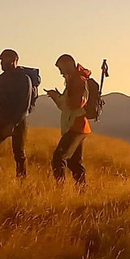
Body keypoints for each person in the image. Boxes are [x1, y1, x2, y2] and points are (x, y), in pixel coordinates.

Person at [0, 49, 32, 178]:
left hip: (18, 123)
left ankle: (22, 182)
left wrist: (13, 124)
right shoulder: (1, 78)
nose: (1, 63)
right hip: (2, 120)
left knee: (19, 154)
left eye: (4, 60)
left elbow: (24, 106)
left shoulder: (24, 79)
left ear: (14, 61)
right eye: (1, 60)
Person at [46, 54, 92, 185]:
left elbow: (73, 105)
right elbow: (70, 105)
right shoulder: (76, 80)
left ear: (68, 65)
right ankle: (82, 191)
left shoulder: (77, 81)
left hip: (75, 126)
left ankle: (60, 190)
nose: (60, 72)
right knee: (74, 162)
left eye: (61, 68)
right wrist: (58, 97)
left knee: (58, 157)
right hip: (79, 126)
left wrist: (58, 97)